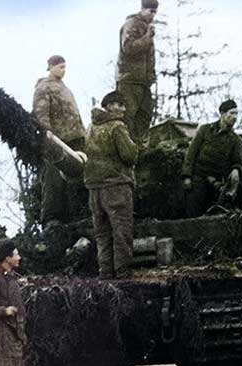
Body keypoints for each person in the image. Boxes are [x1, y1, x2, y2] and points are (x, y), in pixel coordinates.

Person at [84, 91, 139, 279]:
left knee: (102, 233)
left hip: (94, 189)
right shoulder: (117, 127)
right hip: (116, 186)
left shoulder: (90, 127)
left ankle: (105, 272)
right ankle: (123, 273)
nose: (123, 109)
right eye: (120, 105)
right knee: (121, 230)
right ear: (110, 106)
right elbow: (129, 155)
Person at [32, 55, 87, 225]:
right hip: (57, 140)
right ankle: (51, 217)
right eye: (60, 67)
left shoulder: (64, 88)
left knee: (75, 179)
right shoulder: (44, 87)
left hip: (75, 137)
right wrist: (46, 133)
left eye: (65, 67)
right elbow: (41, 113)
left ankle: (76, 213)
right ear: (51, 67)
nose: (63, 71)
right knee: (53, 178)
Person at [181, 99, 242, 217]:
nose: (235, 117)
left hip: (216, 182)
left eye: (236, 114)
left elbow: (238, 161)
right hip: (197, 178)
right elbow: (191, 153)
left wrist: (236, 170)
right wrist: (187, 176)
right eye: (232, 113)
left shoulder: (234, 140)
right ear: (222, 113)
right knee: (193, 211)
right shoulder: (205, 130)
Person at [116, 0, 158, 141]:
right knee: (128, 116)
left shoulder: (146, 26)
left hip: (143, 82)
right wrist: (147, 38)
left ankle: (138, 149)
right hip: (129, 79)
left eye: (155, 12)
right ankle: (127, 148)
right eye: (150, 11)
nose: (153, 15)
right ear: (142, 9)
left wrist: (151, 75)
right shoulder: (132, 24)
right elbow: (128, 47)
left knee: (145, 115)